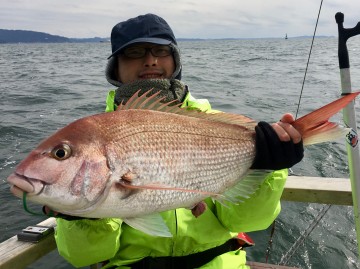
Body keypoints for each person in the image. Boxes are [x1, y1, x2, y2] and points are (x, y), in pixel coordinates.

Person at [52, 13, 303, 269]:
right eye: (135, 52)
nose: (150, 61)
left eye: (161, 50)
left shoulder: (213, 125)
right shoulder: (94, 142)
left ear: (175, 60)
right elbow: (83, 256)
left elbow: (247, 222)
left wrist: (268, 169)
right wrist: (83, 216)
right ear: (115, 67)